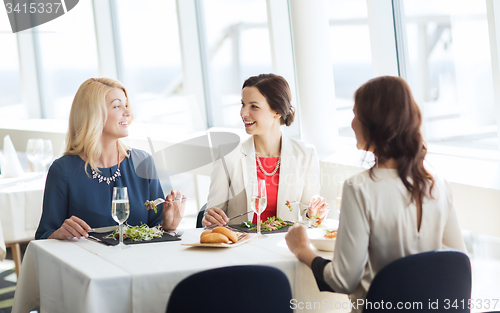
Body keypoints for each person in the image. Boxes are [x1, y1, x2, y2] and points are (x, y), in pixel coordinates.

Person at [285, 76, 467, 313]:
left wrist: (302, 250)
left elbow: (343, 280)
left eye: (355, 114)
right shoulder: (439, 185)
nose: (351, 124)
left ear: (374, 123)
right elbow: (458, 262)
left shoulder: (360, 188)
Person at [35, 78, 185, 240]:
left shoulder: (143, 162)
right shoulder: (63, 170)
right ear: (93, 115)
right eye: (117, 106)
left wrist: (168, 225)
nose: (127, 113)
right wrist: (59, 234)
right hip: (87, 263)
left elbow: (155, 229)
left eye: (126, 105)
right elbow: (44, 237)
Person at [203, 73, 329, 227]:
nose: (243, 113)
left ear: (277, 111)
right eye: (243, 104)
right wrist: (211, 218)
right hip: (241, 245)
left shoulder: (305, 154)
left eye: (254, 106)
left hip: (286, 245)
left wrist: (314, 213)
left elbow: (309, 215)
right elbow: (212, 217)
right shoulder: (227, 154)